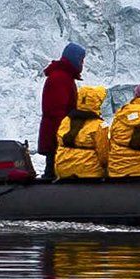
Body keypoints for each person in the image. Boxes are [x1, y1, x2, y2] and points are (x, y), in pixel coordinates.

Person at [37, 42, 87, 180]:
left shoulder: (63, 76)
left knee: (53, 172)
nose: (82, 64)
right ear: (74, 59)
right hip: (57, 136)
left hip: (57, 135)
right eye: (81, 60)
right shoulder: (60, 78)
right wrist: (65, 136)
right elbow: (56, 111)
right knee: (52, 172)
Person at [53, 85, 111, 180]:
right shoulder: (99, 125)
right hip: (89, 171)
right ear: (97, 103)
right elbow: (104, 154)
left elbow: (58, 142)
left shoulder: (66, 120)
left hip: (63, 168)